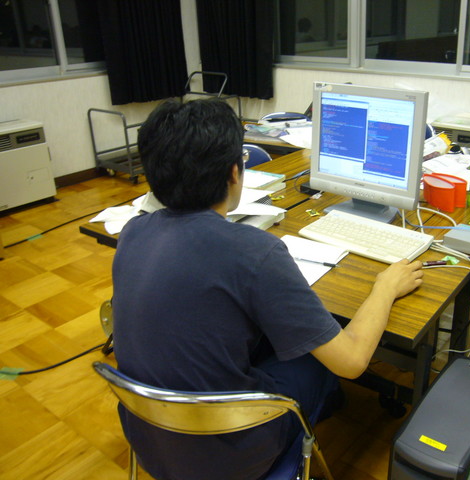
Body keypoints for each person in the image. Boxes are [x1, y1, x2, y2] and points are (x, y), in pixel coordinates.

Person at [111, 98, 424, 480]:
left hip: (148, 438)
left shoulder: (133, 231)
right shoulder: (253, 250)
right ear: (234, 172)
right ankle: (313, 420)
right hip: (229, 458)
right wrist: (385, 286)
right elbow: (354, 361)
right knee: (318, 358)